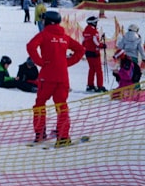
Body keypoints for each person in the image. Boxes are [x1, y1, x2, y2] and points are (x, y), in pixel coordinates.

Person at [26, 10, 84, 146]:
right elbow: (81, 50)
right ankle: (63, 136)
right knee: (62, 105)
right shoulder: (64, 36)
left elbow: (30, 46)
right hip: (62, 77)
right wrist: (66, 63)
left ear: (47, 21)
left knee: (40, 104)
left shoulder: (44, 34)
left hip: (47, 76)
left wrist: (39, 62)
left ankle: (40, 133)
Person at [82, 16, 107, 92]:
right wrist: (102, 45)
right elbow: (96, 42)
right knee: (98, 70)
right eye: (96, 22)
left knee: (91, 69)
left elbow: (83, 42)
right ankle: (100, 86)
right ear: (93, 23)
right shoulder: (94, 32)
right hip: (94, 53)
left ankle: (90, 85)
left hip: (88, 52)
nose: (97, 24)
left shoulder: (85, 31)